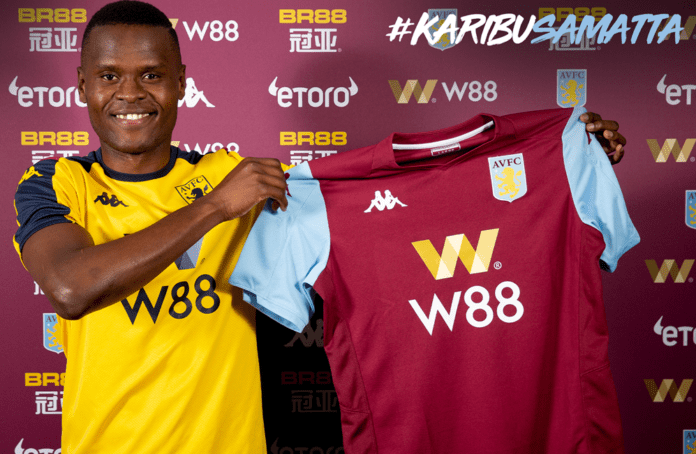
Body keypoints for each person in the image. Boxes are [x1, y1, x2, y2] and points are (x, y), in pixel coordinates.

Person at [12, 1, 627, 453]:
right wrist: (214, 208)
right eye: (109, 75)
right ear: (83, 86)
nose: (130, 93)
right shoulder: (55, 183)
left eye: (151, 74)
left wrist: (557, 162)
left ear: (180, 83)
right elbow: (71, 287)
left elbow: (389, 200)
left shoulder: (234, 175)